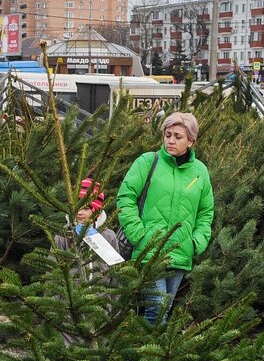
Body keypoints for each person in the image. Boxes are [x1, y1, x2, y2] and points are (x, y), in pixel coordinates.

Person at [117, 112, 214, 324]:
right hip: (149, 250)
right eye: (168, 134)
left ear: (191, 141)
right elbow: (125, 198)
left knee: (165, 308)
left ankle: (151, 353)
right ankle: (150, 356)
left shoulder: (200, 172)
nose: (171, 140)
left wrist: (196, 242)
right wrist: (139, 236)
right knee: (156, 308)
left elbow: (206, 212)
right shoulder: (147, 162)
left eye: (178, 136)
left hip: (181, 252)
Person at [54, 177, 120, 275]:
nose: (79, 213)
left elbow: (116, 271)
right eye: (77, 207)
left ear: (96, 213)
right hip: (73, 290)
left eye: (85, 209)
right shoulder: (63, 235)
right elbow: (53, 269)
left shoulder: (109, 236)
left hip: (102, 290)